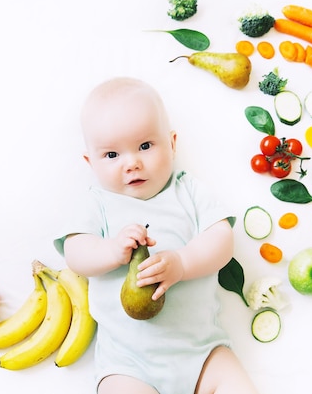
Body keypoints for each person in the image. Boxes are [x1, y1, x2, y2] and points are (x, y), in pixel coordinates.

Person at [54, 77, 259, 394]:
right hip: (128, 364)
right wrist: (110, 251)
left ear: (173, 143)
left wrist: (182, 263)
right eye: (111, 156)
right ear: (90, 162)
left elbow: (221, 239)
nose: (132, 163)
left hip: (203, 353)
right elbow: (75, 254)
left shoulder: (186, 188)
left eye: (145, 146)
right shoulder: (98, 202)